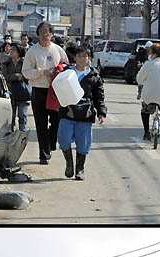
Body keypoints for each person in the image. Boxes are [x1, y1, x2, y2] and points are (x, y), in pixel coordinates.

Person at [57, 46, 106, 180]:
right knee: (63, 139)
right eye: (79, 56)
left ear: (88, 59)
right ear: (74, 58)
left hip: (86, 115)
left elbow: (99, 97)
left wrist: (101, 112)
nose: (81, 58)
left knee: (83, 143)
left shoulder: (94, 76)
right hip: (67, 112)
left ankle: (80, 169)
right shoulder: (67, 72)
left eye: (84, 56)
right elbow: (58, 89)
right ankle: (69, 163)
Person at [23, 21, 69, 163]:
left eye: (47, 32)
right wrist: (41, 72)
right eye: (42, 32)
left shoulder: (58, 50)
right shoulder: (32, 51)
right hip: (39, 91)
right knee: (41, 123)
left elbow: (66, 65)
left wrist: (59, 70)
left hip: (56, 91)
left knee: (57, 121)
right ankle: (44, 155)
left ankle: (50, 142)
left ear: (52, 34)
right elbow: (25, 72)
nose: (44, 34)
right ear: (37, 34)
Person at [2, 43, 30, 133]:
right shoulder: (6, 62)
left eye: (13, 50)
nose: (11, 51)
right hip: (10, 92)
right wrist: (16, 76)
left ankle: (23, 132)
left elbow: (28, 75)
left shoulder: (25, 62)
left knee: (22, 115)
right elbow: (4, 76)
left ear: (18, 52)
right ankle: (10, 131)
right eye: (11, 49)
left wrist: (23, 76)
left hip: (22, 92)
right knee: (11, 115)